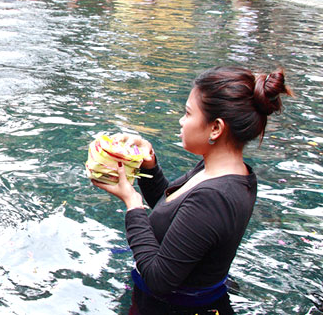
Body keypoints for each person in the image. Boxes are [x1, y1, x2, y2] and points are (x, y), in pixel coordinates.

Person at [92, 66, 292, 315]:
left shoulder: (215, 198)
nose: (181, 120)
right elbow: (174, 212)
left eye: (188, 113)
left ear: (216, 128)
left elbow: (158, 279)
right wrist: (148, 164)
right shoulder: (223, 172)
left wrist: (132, 203)